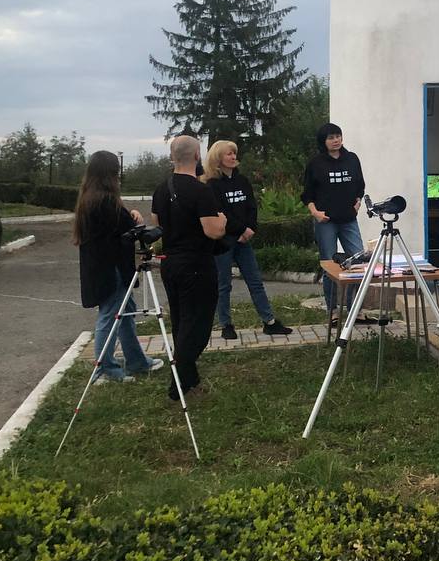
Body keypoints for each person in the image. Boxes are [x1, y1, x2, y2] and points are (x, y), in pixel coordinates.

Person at [74, 150, 164, 384]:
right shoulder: (104, 201)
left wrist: (130, 214)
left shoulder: (90, 197)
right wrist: (137, 221)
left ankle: (136, 361)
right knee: (111, 314)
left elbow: (121, 224)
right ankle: (105, 368)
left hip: (102, 265)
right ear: (110, 174)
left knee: (126, 313)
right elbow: (128, 230)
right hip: (110, 268)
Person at [150, 135, 227, 400]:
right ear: (197, 157)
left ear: (173, 156)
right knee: (198, 326)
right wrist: (223, 220)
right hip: (196, 264)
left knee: (182, 322)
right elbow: (213, 231)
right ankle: (178, 384)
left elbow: (157, 222)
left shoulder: (162, 188)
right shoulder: (200, 190)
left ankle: (189, 379)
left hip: (170, 264)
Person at [203, 140, 292, 339]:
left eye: (234, 154)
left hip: (244, 241)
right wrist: (241, 229)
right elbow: (220, 212)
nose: (234, 157)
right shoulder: (212, 185)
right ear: (218, 158)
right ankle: (226, 325)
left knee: (255, 281)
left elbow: (252, 206)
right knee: (223, 284)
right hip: (224, 242)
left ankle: (269, 322)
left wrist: (250, 228)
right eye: (229, 154)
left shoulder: (242, 181)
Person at [300, 122, 365, 324]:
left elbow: (360, 185)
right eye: (331, 137)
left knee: (359, 262)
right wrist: (315, 213)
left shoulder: (352, 159)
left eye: (338, 136)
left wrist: (358, 203)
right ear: (323, 141)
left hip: (348, 220)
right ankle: (333, 311)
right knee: (329, 265)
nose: (335, 140)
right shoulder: (316, 163)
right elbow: (307, 193)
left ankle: (355, 309)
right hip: (325, 221)